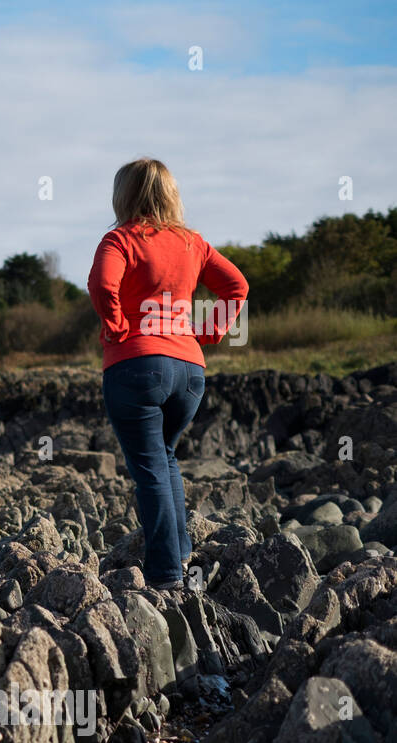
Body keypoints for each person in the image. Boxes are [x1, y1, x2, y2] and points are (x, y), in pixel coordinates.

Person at [88, 158, 248, 590]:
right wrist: (210, 329)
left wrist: (117, 326)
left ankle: (165, 577)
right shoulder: (192, 243)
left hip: (137, 365)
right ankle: (179, 554)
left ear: (124, 196)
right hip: (190, 371)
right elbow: (237, 286)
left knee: (150, 470)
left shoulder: (120, 239)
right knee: (166, 459)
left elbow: (102, 286)